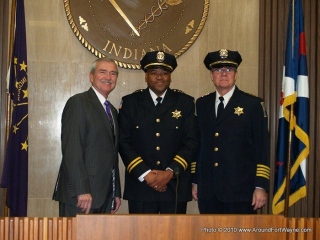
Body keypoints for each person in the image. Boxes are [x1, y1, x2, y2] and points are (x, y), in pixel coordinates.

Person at [118, 51, 198, 214]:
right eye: (154, 73)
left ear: (170, 77)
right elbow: (123, 141)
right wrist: (146, 174)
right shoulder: (130, 103)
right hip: (141, 187)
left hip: (174, 186)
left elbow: (191, 141)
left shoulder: (185, 103)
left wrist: (170, 172)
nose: (160, 77)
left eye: (165, 73)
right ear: (146, 76)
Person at [192, 49, 270, 214]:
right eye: (218, 70)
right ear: (211, 76)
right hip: (208, 191)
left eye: (229, 69)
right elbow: (198, 145)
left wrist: (260, 185)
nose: (224, 74)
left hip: (241, 191)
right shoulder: (201, 104)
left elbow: (262, 148)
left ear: (236, 75)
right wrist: (195, 180)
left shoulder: (253, 105)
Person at [52, 57, 121, 216]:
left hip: (104, 196)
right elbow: (72, 150)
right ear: (91, 77)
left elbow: (112, 155)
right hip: (81, 197)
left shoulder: (112, 111)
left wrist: (115, 190)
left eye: (113, 74)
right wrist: (81, 190)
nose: (108, 77)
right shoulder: (78, 103)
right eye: (102, 72)